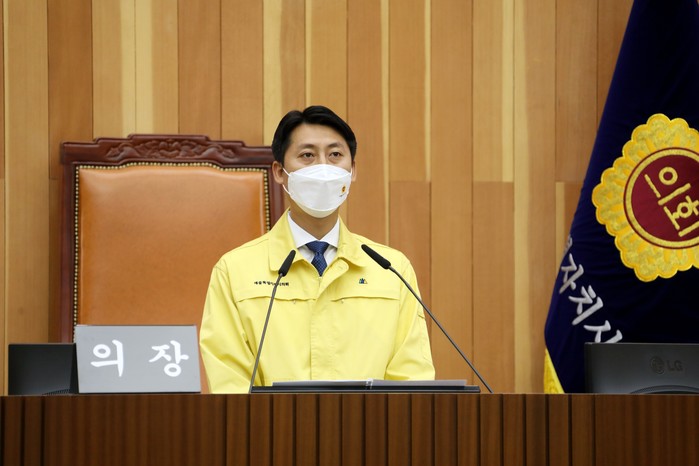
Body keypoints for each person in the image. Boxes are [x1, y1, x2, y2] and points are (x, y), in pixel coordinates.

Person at [199, 105, 435, 393]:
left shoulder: (391, 269)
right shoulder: (234, 271)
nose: (323, 168)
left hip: (371, 424)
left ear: (352, 171)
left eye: (335, 155)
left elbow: (412, 384)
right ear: (280, 172)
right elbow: (230, 387)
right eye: (307, 155)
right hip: (271, 424)